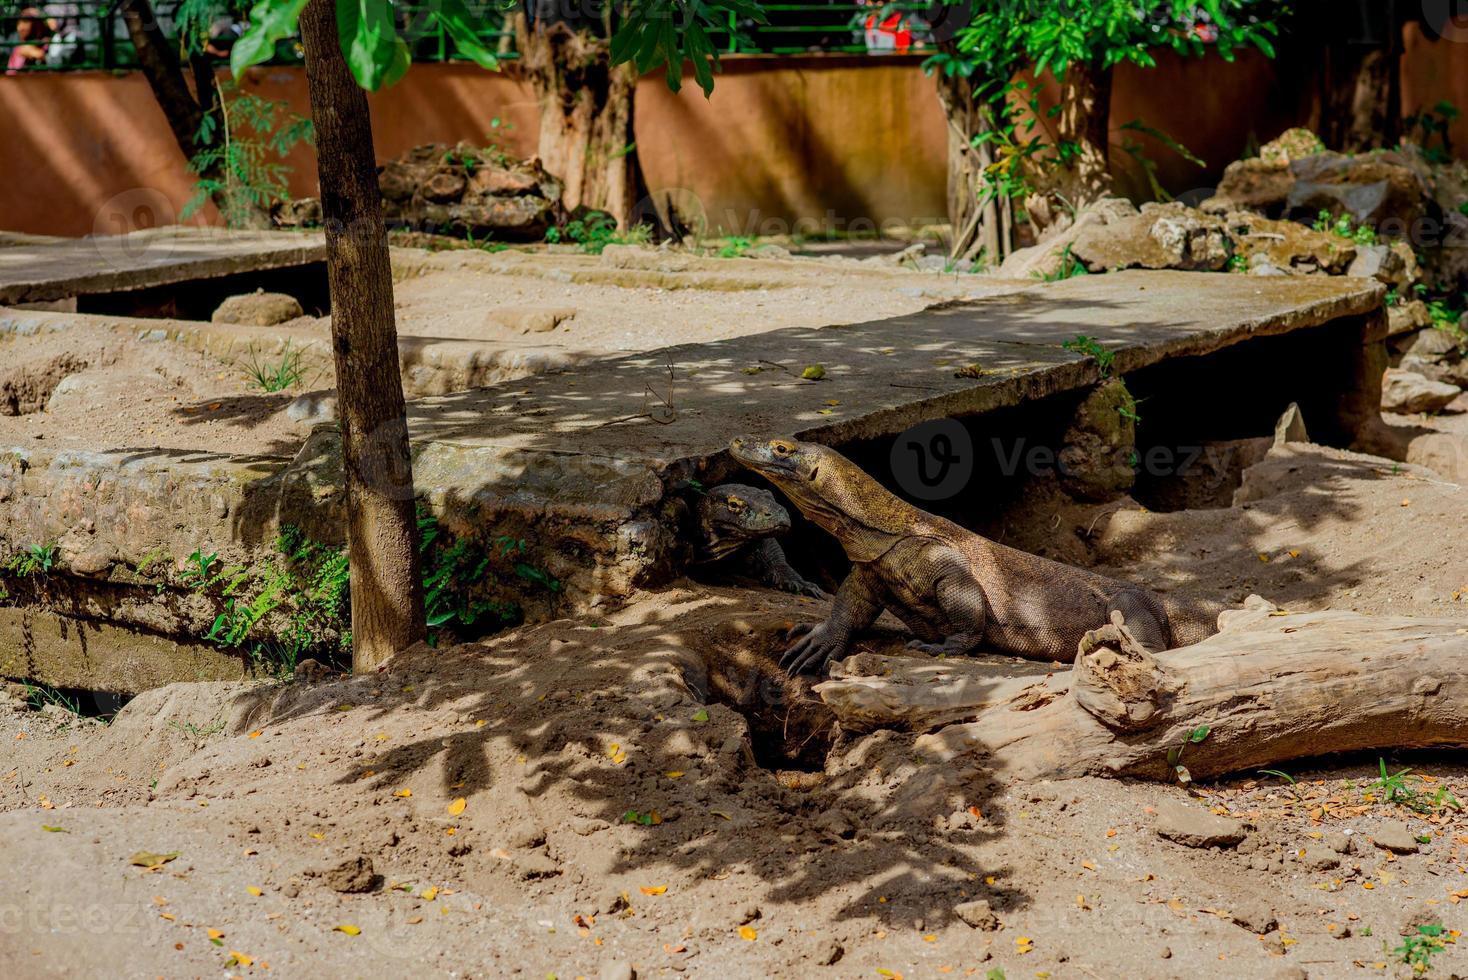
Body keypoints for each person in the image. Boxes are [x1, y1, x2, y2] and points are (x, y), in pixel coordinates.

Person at [6, 7, 52, 73]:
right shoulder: (18, 49)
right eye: (18, 23)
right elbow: (10, 75)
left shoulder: (49, 44)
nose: (20, 28)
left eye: (25, 22)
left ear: (37, 24)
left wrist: (40, 55)